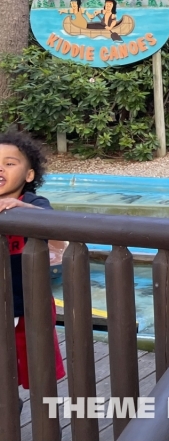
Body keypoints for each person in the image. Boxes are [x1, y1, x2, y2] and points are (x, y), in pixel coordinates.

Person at [0, 131, 66, 396]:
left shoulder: (31, 203)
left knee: (37, 368)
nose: (0, 168)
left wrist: (18, 208)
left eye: (9, 163)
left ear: (29, 176)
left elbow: (56, 227)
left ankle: (45, 421)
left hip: (29, 306)